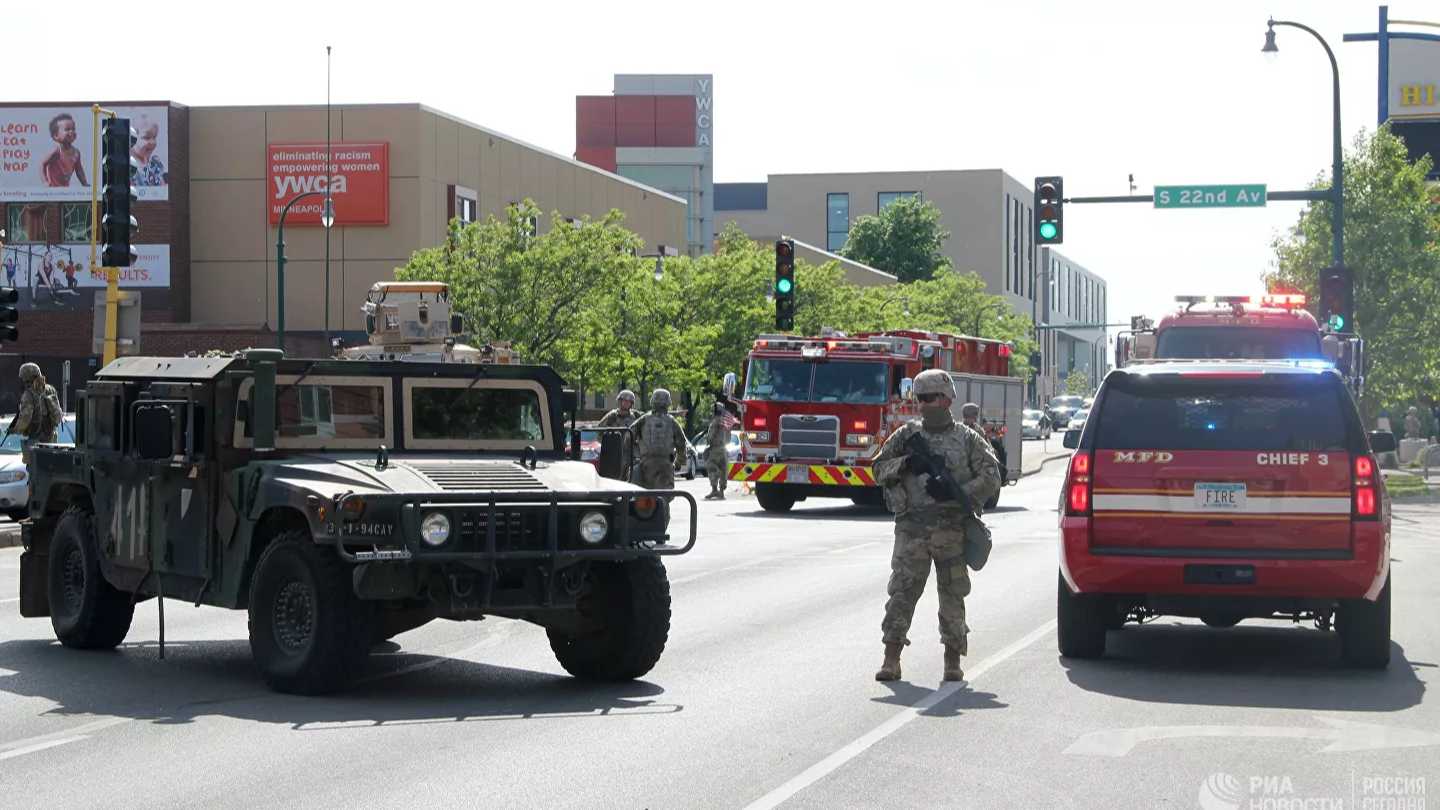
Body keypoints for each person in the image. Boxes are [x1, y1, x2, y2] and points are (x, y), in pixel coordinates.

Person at [872, 370, 1000, 683]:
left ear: (947, 399)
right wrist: (904, 464)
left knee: (953, 594)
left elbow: (992, 476)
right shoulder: (906, 436)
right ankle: (891, 659)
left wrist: (961, 491)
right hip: (912, 528)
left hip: (951, 527)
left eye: (931, 398)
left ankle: (952, 661)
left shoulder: (968, 438)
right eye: (921, 399)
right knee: (902, 592)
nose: (925, 404)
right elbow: (877, 467)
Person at [630, 388, 687, 490]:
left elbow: (628, 437)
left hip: (646, 464)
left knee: (644, 495)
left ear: (653, 401)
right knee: (664, 496)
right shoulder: (672, 421)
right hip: (665, 465)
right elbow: (681, 443)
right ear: (668, 403)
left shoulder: (644, 419)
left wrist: (635, 455)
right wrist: (678, 462)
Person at [12, 363, 63, 467]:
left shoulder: (29, 394)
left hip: (36, 442)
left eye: (24, 378)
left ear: (28, 377)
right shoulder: (50, 389)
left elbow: (25, 418)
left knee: (35, 475)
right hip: (52, 439)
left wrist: (15, 429)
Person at [40, 113, 88, 188]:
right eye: (67, 129)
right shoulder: (56, 151)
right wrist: (45, 182)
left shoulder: (76, 153)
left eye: (73, 129)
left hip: (64, 189)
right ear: (56, 136)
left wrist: (85, 183)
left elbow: (79, 170)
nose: (71, 132)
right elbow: (43, 164)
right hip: (52, 189)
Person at [703, 402, 731, 500]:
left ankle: (714, 490)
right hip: (723, 448)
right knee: (723, 470)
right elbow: (728, 438)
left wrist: (709, 442)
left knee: (711, 467)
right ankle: (722, 492)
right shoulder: (726, 422)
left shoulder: (715, 421)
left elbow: (710, 436)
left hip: (715, 449)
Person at [131, 116, 167, 187]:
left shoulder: (154, 164)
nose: (152, 142)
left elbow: (163, 188)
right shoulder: (129, 166)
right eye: (146, 137)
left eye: (154, 137)